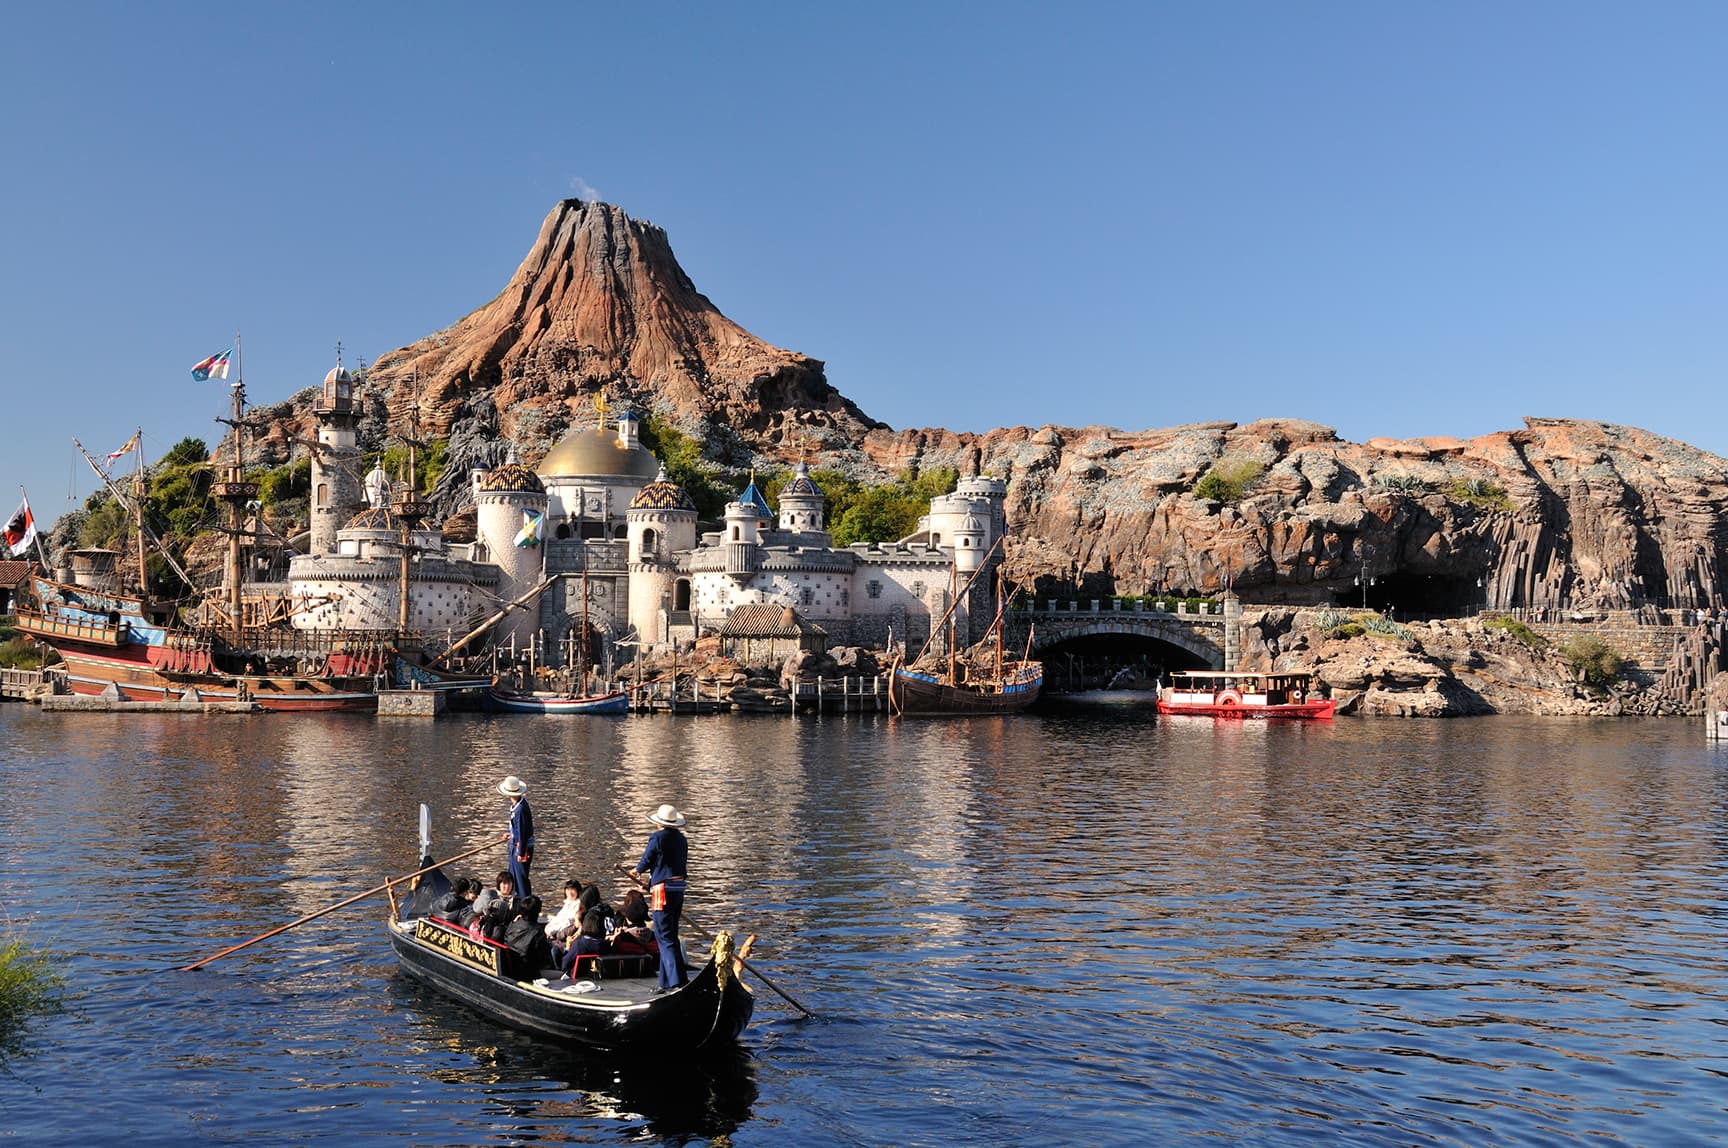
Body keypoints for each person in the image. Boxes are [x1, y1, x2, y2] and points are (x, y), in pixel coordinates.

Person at [633, 803, 689, 992]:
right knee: (669, 935)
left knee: (664, 936)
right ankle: (665, 982)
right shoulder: (682, 840)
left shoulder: (657, 838)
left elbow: (648, 860)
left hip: (663, 891)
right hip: (678, 889)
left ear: (660, 823)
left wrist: (637, 871)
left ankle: (676, 982)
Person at [499, 775, 535, 898]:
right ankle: (516, 901)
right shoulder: (517, 806)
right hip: (516, 845)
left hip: (521, 848)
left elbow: (523, 833)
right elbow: (518, 829)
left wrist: (521, 853)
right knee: (514, 876)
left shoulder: (520, 809)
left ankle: (525, 903)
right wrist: (511, 834)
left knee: (521, 878)